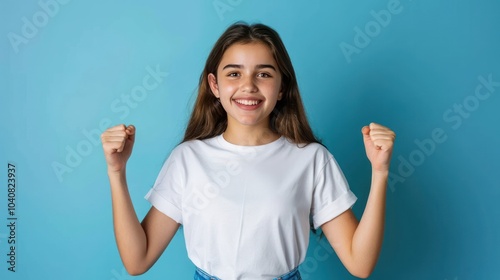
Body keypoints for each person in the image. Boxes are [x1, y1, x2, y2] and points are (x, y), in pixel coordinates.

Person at [101, 22, 396, 280]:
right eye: (234, 74)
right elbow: (137, 261)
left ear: (282, 87)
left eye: (264, 74)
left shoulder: (312, 159)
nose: (248, 86)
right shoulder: (188, 159)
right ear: (214, 84)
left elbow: (361, 264)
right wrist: (117, 171)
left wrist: (380, 171)